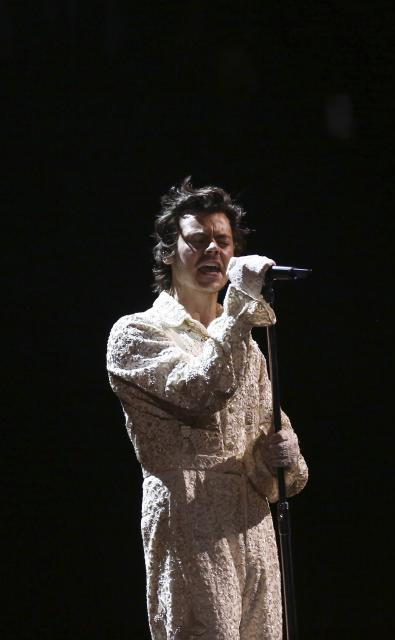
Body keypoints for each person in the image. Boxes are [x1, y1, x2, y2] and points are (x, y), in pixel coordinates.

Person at [106, 178, 308, 639]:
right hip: (189, 522)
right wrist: (240, 306)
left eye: (223, 241)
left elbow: (281, 472)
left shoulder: (248, 350)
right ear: (167, 253)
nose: (212, 250)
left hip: (254, 529)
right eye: (197, 241)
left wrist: (282, 455)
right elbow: (200, 391)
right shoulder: (137, 333)